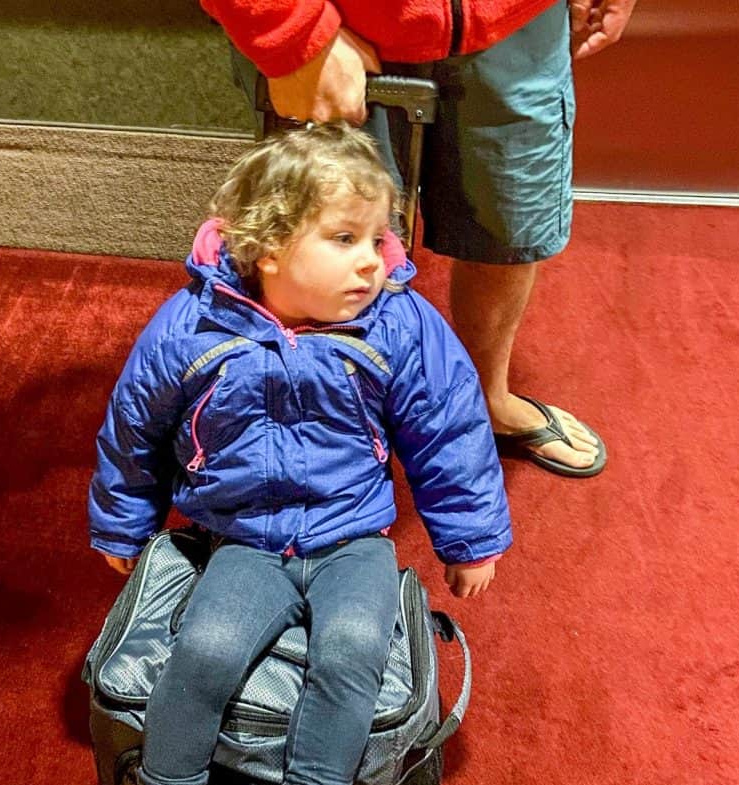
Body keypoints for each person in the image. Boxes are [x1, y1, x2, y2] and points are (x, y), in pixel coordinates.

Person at [88, 124, 511, 785]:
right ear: (268, 243)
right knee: (202, 648)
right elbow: (133, 430)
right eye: (347, 239)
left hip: (349, 537)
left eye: (381, 237)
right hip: (241, 538)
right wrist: (122, 523)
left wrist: (469, 537)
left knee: (353, 646)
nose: (378, 261)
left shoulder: (397, 324)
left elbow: (449, 430)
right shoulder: (190, 327)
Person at [200, 0, 638, 478]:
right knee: (327, 244)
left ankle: (484, 401)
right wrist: (291, 30)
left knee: (507, 229)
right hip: (337, 27)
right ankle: (326, 441)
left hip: (518, 19)